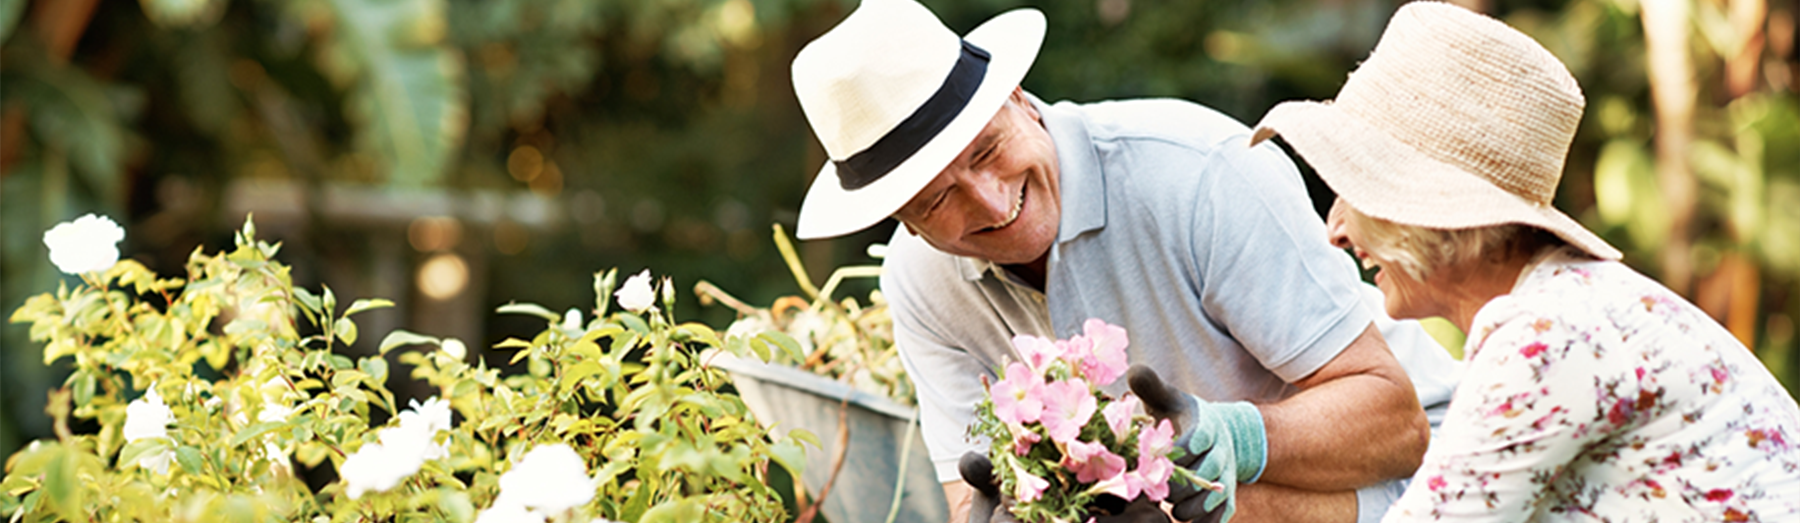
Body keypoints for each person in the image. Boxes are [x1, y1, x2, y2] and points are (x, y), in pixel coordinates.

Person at [787, 1, 1462, 522]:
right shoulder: (920, 279)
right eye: (936, 201)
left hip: (1427, 484)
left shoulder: (1197, 172)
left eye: (987, 151)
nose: (990, 204)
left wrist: (1233, 439)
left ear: (1018, 98)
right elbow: (970, 493)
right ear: (900, 218)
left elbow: (1398, 425)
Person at [1249, 2, 1800, 521]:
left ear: (1427, 213)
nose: (1336, 230)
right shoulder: (1565, 307)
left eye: (1354, 192)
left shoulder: (1546, 340)